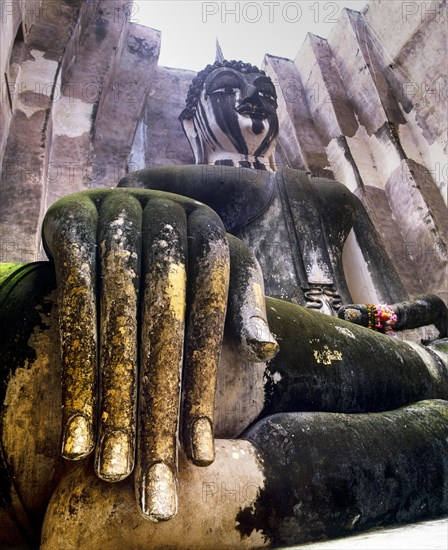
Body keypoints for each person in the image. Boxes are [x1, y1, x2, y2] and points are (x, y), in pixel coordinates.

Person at [0, 60, 447, 549]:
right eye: (229, 89)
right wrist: (120, 218)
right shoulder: (161, 181)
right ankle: (254, 485)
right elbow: (128, 261)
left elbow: (393, 315)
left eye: (265, 93)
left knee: (423, 375)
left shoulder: (330, 198)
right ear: (193, 121)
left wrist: (414, 313)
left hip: (343, 352)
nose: (252, 98)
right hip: (199, 353)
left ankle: (253, 489)